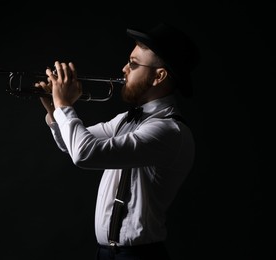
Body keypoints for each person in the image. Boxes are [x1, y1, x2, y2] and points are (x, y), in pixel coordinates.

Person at [35, 22, 200, 260]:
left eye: (133, 64)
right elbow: (69, 145)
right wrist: (53, 109)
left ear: (159, 76)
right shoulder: (128, 119)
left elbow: (85, 154)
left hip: (138, 256)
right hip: (107, 254)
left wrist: (64, 106)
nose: (124, 68)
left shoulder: (169, 131)